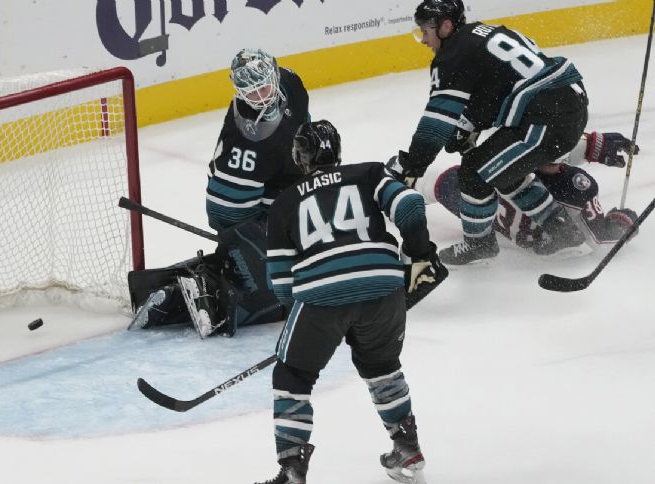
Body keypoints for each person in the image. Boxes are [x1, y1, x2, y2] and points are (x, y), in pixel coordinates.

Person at [256, 120, 446, 484]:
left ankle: (292, 468)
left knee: (292, 374)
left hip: (320, 297)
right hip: (385, 286)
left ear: (301, 157)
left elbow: (280, 284)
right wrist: (420, 252)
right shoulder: (370, 174)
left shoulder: (284, 202)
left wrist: (315, 320)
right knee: (382, 366)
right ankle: (408, 449)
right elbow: (408, 204)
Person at [388, 0, 591, 265]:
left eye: (426, 31)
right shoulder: (487, 33)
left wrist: (412, 164)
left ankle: (479, 245)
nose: (424, 40)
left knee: (473, 173)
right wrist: (471, 123)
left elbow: (435, 123)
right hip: (565, 106)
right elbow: (497, 89)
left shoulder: (452, 56)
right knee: (501, 170)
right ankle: (564, 233)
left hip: (545, 120)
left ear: (446, 26)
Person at [127, 48, 310, 338]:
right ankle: (202, 289)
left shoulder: (291, 83)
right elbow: (227, 210)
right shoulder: (247, 139)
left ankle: (203, 278)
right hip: (236, 208)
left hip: (272, 191)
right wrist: (254, 236)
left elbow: (301, 123)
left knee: (272, 258)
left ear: (275, 74)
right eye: (251, 92)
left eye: (264, 85)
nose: (261, 96)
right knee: (273, 298)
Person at [415, 131, 640, 253]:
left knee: (436, 180)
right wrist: (623, 225)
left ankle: (399, 185)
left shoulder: (505, 156)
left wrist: (593, 146)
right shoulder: (577, 186)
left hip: (505, 230)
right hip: (540, 241)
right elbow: (600, 239)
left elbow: (545, 150)